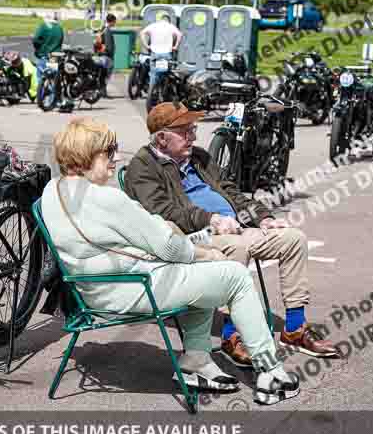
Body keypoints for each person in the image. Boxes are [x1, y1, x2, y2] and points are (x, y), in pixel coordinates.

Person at [41, 116, 300, 405]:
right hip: (132, 289)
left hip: (92, 290)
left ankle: (197, 363)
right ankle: (271, 372)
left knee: (206, 273)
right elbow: (168, 247)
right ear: (86, 155)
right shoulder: (105, 199)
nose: (115, 159)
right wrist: (203, 253)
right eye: (108, 152)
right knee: (234, 276)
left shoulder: (52, 191)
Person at [123, 103, 340, 368]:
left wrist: (264, 217)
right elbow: (162, 210)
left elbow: (231, 191)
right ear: (161, 137)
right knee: (236, 247)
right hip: (193, 238)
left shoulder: (199, 158)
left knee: (293, 239)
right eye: (185, 132)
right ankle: (231, 335)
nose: (193, 137)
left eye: (193, 129)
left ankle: (294, 329)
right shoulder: (142, 166)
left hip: (234, 227)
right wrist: (210, 219)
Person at [140, 13, 182, 91]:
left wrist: (146, 45)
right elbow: (180, 35)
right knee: (166, 73)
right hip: (166, 54)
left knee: (153, 73)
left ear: (161, 19)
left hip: (155, 53)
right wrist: (175, 46)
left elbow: (142, 33)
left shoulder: (154, 25)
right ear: (168, 20)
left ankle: (152, 91)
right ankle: (164, 90)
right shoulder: (170, 26)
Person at [32, 11, 64, 84]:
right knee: (52, 79)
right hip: (55, 56)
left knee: (40, 79)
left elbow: (36, 40)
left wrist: (39, 48)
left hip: (44, 55)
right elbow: (60, 42)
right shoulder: (59, 28)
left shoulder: (44, 26)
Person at [95, 13, 116, 98]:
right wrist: (110, 53)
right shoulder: (107, 30)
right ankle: (103, 92)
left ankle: (101, 91)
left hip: (101, 54)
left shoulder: (103, 29)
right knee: (106, 75)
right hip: (106, 56)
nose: (115, 23)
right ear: (112, 21)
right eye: (114, 22)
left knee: (102, 75)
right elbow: (108, 45)